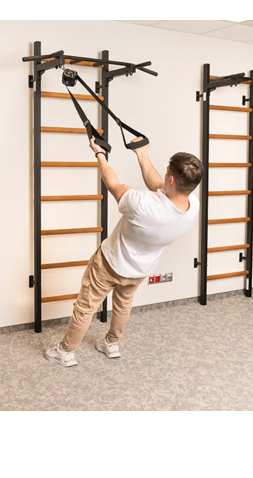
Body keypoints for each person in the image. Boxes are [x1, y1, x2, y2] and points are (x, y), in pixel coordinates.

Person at [45, 137, 203, 367]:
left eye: (167, 170)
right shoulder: (192, 206)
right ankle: (111, 344)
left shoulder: (142, 205)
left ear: (171, 178)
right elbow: (158, 185)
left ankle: (65, 351)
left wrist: (99, 154)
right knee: (123, 305)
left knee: (85, 307)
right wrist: (141, 153)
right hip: (139, 270)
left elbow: (113, 184)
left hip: (109, 263)